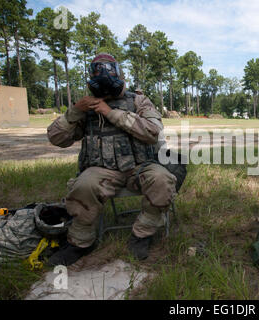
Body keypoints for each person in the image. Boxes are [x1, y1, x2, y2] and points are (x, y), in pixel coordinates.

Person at [46, 53, 178, 266]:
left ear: (119, 73)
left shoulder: (138, 101)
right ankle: (81, 242)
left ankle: (142, 234)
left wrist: (110, 113)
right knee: (84, 184)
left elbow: (153, 132)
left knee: (163, 180)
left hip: (140, 167)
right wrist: (75, 112)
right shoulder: (86, 108)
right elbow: (56, 138)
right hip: (102, 171)